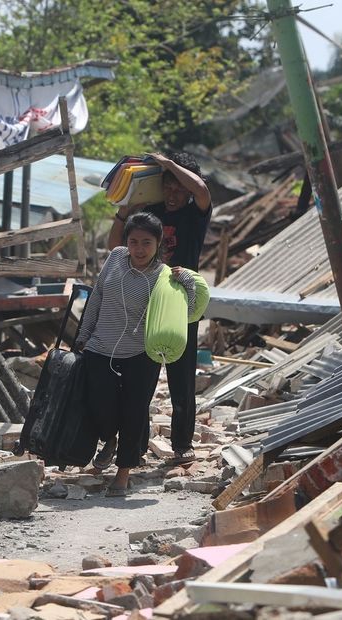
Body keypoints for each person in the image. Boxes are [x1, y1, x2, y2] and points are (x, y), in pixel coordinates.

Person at [75, 212, 196, 496]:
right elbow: (97, 296)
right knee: (98, 404)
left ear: (159, 244)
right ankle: (109, 439)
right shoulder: (116, 258)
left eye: (146, 243)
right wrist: (83, 334)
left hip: (140, 353)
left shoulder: (165, 277)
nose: (138, 249)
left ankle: (123, 472)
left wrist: (188, 284)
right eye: (133, 242)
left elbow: (184, 314)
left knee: (133, 412)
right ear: (126, 242)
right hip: (100, 345)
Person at [106, 151, 211, 465]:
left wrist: (166, 164)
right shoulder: (149, 213)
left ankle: (182, 445)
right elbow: (116, 246)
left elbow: (203, 191)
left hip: (181, 300)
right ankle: (136, 448)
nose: (173, 193)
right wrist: (124, 212)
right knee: (141, 377)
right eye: (167, 186)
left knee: (181, 379)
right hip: (145, 298)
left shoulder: (196, 213)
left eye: (179, 187)